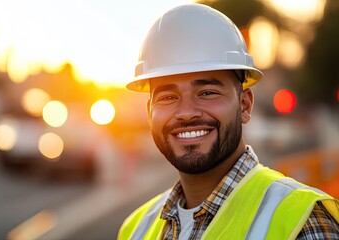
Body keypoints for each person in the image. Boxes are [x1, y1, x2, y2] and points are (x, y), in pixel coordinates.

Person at [118, 3, 339, 240]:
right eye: (168, 97)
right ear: (150, 111)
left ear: (244, 104)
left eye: (207, 93)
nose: (186, 112)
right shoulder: (136, 229)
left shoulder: (303, 223)